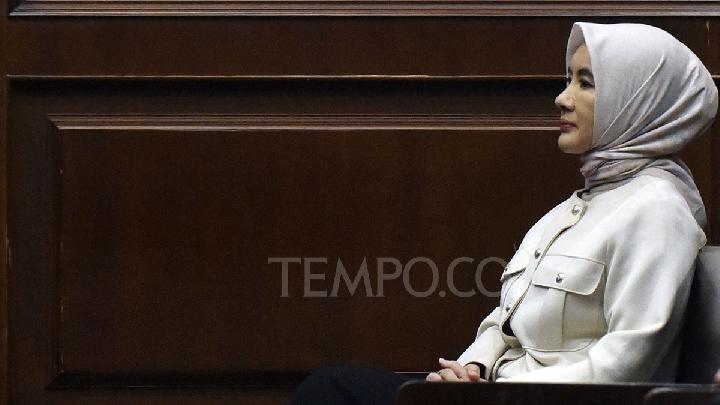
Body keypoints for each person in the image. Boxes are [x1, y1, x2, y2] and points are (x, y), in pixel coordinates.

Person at [293, 22, 718, 403]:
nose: (562, 98)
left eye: (586, 83)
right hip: (500, 392)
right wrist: (471, 370)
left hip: (539, 400)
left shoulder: (657, 210)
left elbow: (627, 362)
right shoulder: (576, 207)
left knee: (332, 391)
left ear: (637, 100)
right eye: (569, 80)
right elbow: (506, 324)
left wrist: (497, 394)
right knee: (334, 387)